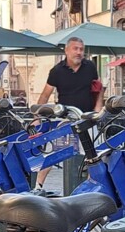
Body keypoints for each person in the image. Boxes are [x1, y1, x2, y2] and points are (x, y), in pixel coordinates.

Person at [35, 37, 102, 187]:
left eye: (81, 49)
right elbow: (45, 95)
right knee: (55, 153)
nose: (79, 52)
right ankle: (38, 186)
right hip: (66, 119)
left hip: (87, 118)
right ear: (67, 50)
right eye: (75, 48)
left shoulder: (90, 66)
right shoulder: (57, 71)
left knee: (93, 155)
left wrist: (98, 110)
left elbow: (98, 88)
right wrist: (37, 117)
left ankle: (95, 186)